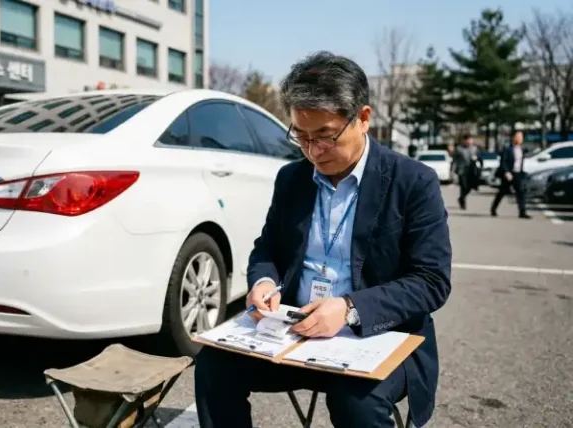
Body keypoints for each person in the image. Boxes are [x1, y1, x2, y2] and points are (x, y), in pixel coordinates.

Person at [194, 52, 452, 428]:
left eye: (326, 136)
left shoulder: (413, 182)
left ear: (363, 118)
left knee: (355, 404)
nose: (314, 151)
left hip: (378, 335)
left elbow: (431, 281)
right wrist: (263, 282)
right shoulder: (292, 179)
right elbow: (268, 248)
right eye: (302, 136)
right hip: (295, 330)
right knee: (213, 365)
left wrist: (349, 308)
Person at [491, 131, 531, 219]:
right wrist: (506, 172)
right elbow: (503, 161)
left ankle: (522, 212)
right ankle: (493, 208)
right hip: (509, 173)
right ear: (514, 138)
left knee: (520, 192)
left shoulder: (521, 149)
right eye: (518, 137)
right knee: (502, 192)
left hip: (518, 173)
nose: (520, 139)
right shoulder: (508, 149)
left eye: (521, 137)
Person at [452, 135, 479, 209]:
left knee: (470, 186)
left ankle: (461, 198)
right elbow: (454, 159)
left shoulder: (474, 148)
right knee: (463, 186)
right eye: (468, 140)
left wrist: (476, 159)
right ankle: (463, 202)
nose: (469, 142)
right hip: (462, 170)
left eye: (470, 140)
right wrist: (454, 169)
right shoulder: (459, 149)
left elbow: (478, 158)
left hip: (471, 170)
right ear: (464, 141)